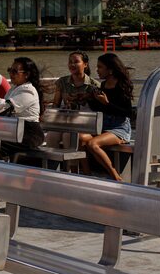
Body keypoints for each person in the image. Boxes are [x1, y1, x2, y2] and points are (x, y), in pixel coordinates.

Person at [80, 53, 134, 181]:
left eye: (100, 67)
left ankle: (115, 175)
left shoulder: (121, 86)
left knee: (93, 144)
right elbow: (100, 109)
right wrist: (88, 99)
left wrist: (106, 103)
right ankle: (86, 174)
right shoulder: (103, 86)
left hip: (119, 128)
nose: (97, 70)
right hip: (103, 125)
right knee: (81, 138)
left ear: (110, 70)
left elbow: (127, 112)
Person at [46, 51, 98, 147]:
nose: (72, 64)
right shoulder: (62, 82)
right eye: (70, 62)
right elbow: (56, 104)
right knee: (51, 135)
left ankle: (72, 162)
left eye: (76, 62)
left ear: (85, 64)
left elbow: (97, 108)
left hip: (85, 124)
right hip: (67, 121)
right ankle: (52, 162)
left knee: (69, 136)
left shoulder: (93, 85)